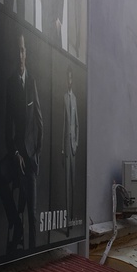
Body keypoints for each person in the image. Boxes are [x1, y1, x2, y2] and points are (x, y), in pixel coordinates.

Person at [0, 32, 43, 252]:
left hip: (30, 159)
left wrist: (35, 155)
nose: (20, 55)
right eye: (17, 51)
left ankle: (33, 255)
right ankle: (16, 223)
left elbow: (40, 123)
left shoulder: (32, 82)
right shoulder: (10, 83)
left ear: (26, 53)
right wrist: (15, 154)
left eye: (22, 50)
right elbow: (8, 127)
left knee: (32, 214)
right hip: (16, 155)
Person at [62, 67, 78, 232]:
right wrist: (62, 149)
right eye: (67, 78)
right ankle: (67, 223)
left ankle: (72, 219)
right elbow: (63, 125)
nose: (69, 81)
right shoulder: (64, 98)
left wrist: (76, 143)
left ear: (72, 80)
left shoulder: (74, 99)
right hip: (66, 149)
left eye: (70, 78)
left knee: (73, 186)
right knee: (67, 187)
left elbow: (77, 124)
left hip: (73, 148)